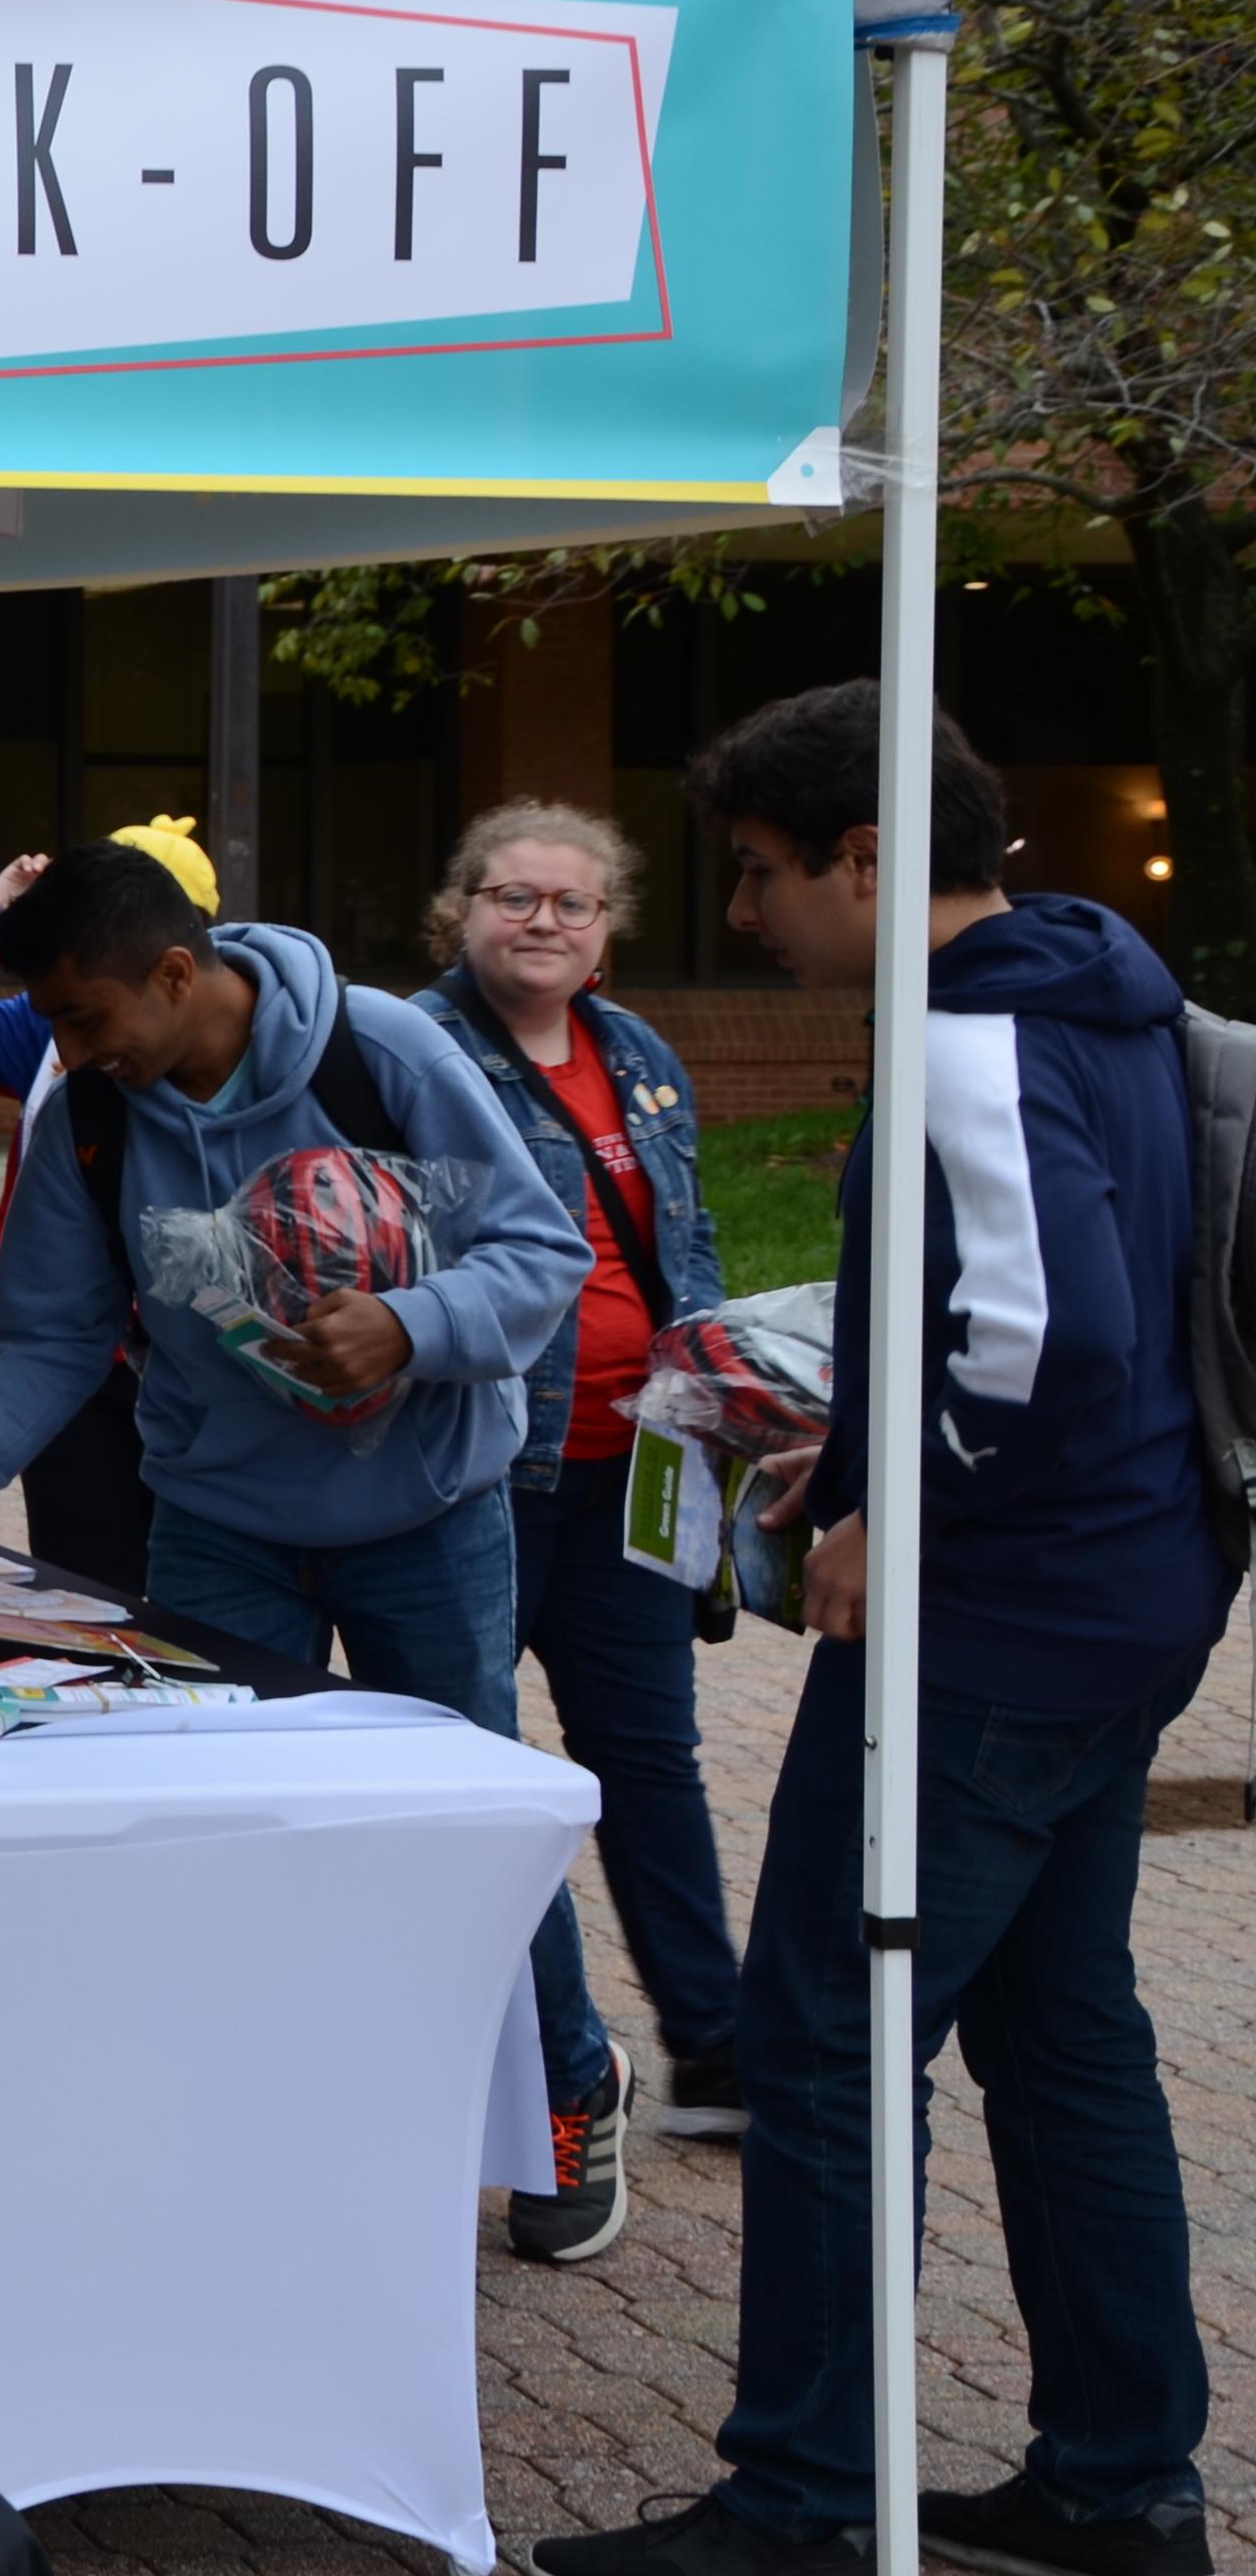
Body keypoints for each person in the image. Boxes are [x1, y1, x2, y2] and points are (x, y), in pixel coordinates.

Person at [542, 686, 1235, 2576]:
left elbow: (1043, 1338)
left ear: (866, 856)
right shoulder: (1105, 997)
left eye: (759, 874)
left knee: (828, 2039)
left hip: (994, 1631)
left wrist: (882, 1503)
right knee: (1061, 2028)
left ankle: (801, 2499)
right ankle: (1118, 2479)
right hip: (1111, 1606)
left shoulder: (969, 1028)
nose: (747, 913)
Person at [0, 842, 630, 2259]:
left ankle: (568, 2084)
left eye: (86, 1019)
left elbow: (540, 1251)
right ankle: (263, 2123)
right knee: (217, 1840)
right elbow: (57, 1338)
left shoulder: (385, 1054)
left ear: (179, 975)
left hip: (425, 1520)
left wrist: (415, 1323)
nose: (68, 1054)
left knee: (471, 1834)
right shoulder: (96, 1115)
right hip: (218, 1528)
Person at [408, 802, 744, 2144]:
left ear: (607, 929)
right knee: (493, 1773)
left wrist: (712, 1387)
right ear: (462, 911)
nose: (542, 921)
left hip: (638, 1468)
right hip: (485, 1472)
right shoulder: (415, 1050)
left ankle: (716, 2051)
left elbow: (690, 1238)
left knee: (650, 1758)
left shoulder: (639, 1052)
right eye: (514, 897)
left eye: (572, 903)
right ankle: (555, 2072)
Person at [0, 816, 223, 1591]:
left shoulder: (247, 1044)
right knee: (87, 1587)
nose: (77, 1051)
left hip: (192, 1369)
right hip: (78, 1367)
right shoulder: (56, 1031)